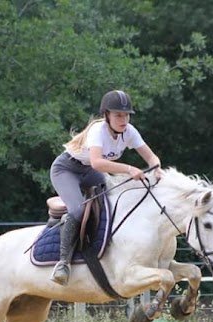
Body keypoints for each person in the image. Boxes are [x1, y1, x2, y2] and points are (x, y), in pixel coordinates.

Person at [48, 89, 162, 285]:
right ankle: (63, 263)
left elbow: (151, 157)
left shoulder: (129, 132)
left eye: (126, 115)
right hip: (66, 169)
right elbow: (97, 163)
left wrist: (157, 169)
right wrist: (129, 169)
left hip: (89, 171)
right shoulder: (98, 130)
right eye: (118, 115)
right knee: (78, 210)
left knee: (115, 199)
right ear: (107, 115)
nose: (123, 120)